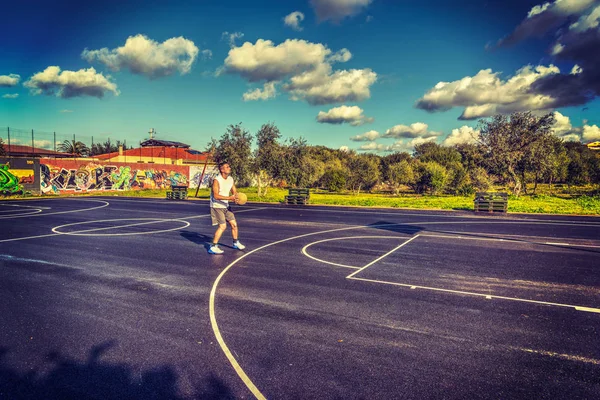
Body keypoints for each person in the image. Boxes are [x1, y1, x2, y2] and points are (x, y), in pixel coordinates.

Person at [208, 162, 246, 254]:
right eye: (227, 167)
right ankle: (213, 246)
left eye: (229, 166)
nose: (229, 168)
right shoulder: (217, 180)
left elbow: (234, 191)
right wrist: (229, 198)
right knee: (223, 226)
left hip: (226, 205)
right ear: (222, 169)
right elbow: (216, 196)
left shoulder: (230, 179)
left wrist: (237, 198)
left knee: (234, 224)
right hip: (217, 206)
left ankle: (235, 242)